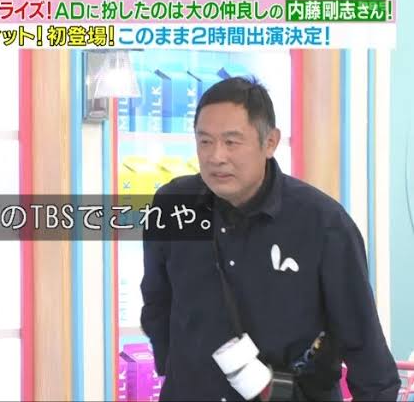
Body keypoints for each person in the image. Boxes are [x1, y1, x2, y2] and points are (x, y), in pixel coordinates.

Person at [141, 77, 401, 401]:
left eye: (231, 142)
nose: (216, 156)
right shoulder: (173, 204)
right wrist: (179, 368)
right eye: (205, 141)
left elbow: (362, 340)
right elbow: (156, 301)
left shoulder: (322, 223)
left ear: (270, 142)